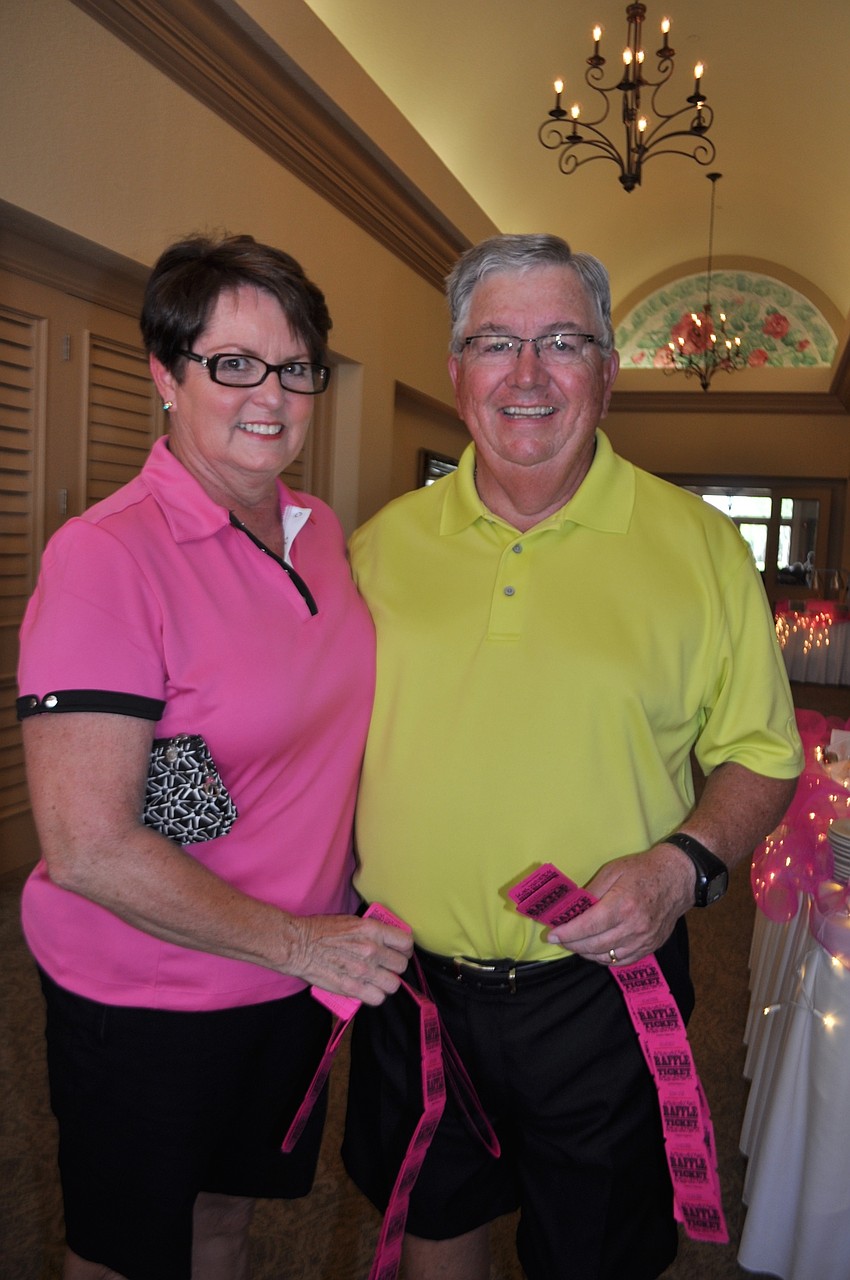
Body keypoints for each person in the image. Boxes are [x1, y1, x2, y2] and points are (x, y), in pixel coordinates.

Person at [341, 233, 803, 1280]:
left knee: (596, 1252)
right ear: (456, 370)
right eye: (494, 341)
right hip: (410, 982)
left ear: (607, 367)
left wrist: (679, 865)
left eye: (561, 340)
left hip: (603, 991)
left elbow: (763, 753)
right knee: (433, 1229)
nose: (527, 373)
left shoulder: (697, 547)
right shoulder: (377, 547)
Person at [16, 233, 412, 1280]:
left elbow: (242, 755)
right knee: (124, 1253)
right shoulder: (108, 554)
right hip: (153, 991)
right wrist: (298, 943)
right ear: (165, 372)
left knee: (227, 1224)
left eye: (295, 368)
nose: (269, 394)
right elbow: (90, 843)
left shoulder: (319, 529)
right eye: (232, 363)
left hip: (285, 982)